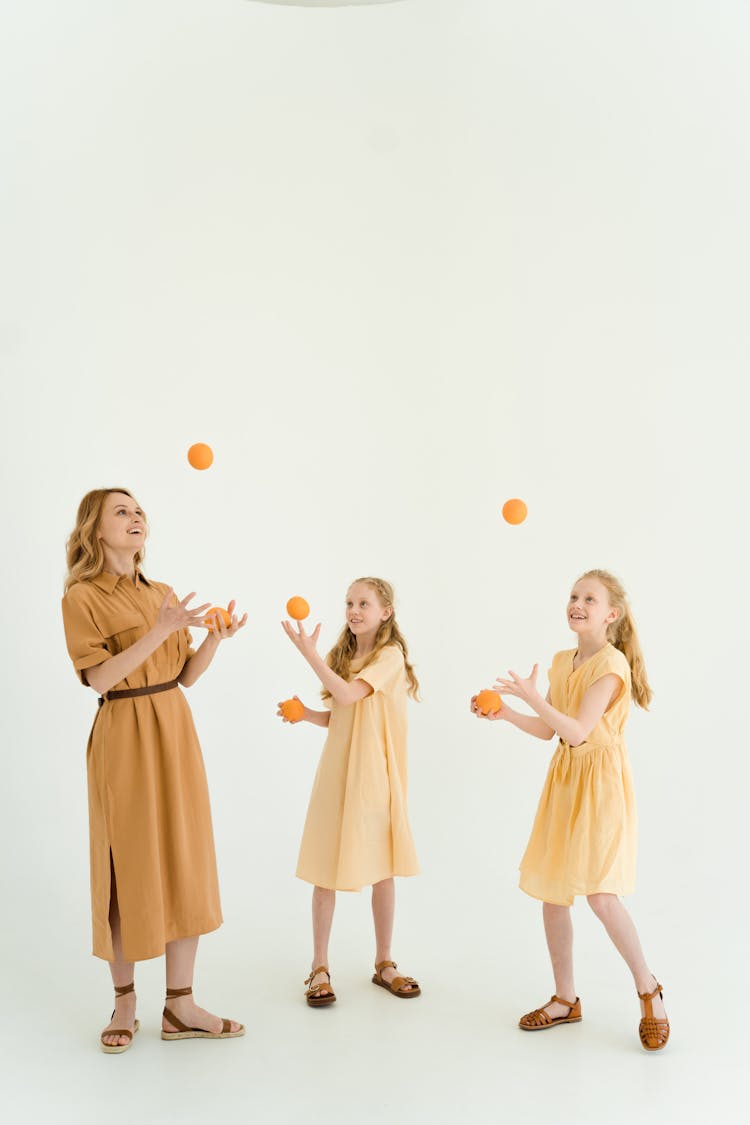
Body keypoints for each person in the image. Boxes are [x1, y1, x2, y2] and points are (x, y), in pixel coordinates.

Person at [61, 488, 246, 1052]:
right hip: (123, 734)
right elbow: (99, 679)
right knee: (127, 862)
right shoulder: (81, 597)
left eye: (139, 509)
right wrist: (162, 630)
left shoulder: (162, 593)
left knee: (184, 856)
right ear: (96, 529)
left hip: (174, 728)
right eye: (122, 511)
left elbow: (185, 676)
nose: (136, 516)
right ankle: (124, 1003)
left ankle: (180, 1005)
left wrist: (213, 638)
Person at [471, 569, 669, 1051]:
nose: (577, 603)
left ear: (611, 614)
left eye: (589, 598)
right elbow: (552, 732)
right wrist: (508, 714)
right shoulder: (563, 660)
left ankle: (649, 989)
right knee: (554, 892)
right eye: (574, 596)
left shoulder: (612, 665)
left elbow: (580, 730)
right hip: (565, 779)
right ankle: (565, 999)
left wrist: (532, 697)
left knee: (601, 896)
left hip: (600, 784)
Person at [279, 577, 421, 1006]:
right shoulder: (342, 656)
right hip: (337, 773)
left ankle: (384, 962)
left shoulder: (390, 656)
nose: (354, 610)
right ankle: (319, 966)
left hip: (374, 773)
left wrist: (308, 654)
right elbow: (341, 713)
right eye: (349, 603)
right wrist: (306, 714)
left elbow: (347, 693)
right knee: (325, 867)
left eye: (364, 603)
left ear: (386, 612)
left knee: (382, 867)